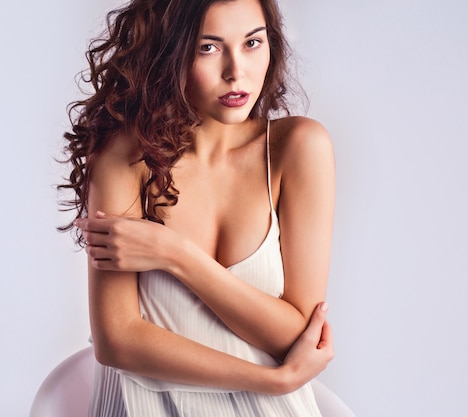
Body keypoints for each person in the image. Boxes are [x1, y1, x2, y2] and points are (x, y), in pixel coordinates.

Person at [60, 0, 336, 415]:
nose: (236, 72)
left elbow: (297, 333)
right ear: (169, 52)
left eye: (252, 43)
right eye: (208, 48)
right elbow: (116, 340)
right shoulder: (123, 158)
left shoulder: (296, 148)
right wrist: (272, 380)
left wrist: (176, 255)